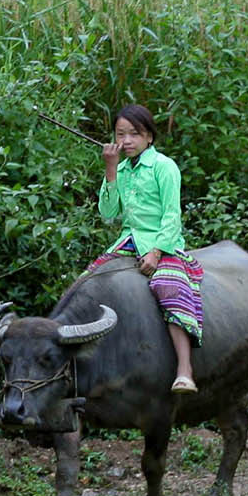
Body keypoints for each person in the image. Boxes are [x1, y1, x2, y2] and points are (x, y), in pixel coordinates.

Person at [91, 104, 203, 394]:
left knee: (170, 287)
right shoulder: (122, 168)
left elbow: (171, 215)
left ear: (149, 137)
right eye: (120, 134)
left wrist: (156, 252)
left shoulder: (164, 167)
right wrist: (110, 168)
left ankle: (184, 369)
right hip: (128, 242)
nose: (126, 141)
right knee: (88, 282)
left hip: (162, 245)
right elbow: (108, 212)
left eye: (134, 134)